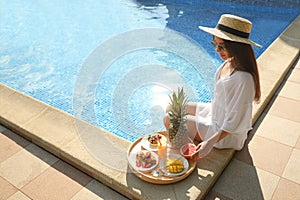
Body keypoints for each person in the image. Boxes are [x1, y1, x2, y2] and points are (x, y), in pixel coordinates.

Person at [164, 14, 261, 159]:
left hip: (224, 131)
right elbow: (225, 94)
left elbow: (235, 121)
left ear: (236, 46)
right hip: (214, 111)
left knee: (168, 119)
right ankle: (191, 135)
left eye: (221, 46)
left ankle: (188, 148)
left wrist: (209, 143)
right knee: (171, 108)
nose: (217, 50)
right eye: (215, 44)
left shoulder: (244, 79)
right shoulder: (230, 61)